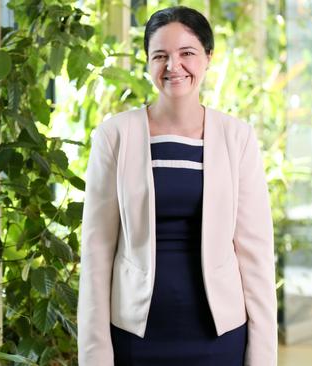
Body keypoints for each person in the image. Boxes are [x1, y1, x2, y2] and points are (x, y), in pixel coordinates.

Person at [77, 5, 277, 366]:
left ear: (208, 58)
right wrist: (96, 355)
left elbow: (256, 255)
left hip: (219, 336)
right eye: (160, 56)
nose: (173, 66)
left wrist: (262, 357)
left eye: (187, 53)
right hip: (135, 336)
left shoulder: (237, 138)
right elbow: (97, 253)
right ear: (148, 62)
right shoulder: (114, 137)